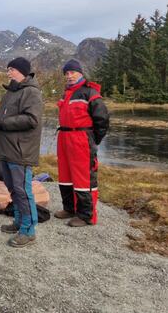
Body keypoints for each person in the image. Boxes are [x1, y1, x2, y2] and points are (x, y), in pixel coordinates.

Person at [0, 57, 42, 247]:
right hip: (7, 149)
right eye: (8, 69)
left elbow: (31, 120)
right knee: (13, 189)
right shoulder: (11, 92)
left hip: (21, 150)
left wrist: (0, 123)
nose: (8, 73)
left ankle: (28, 230)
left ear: (22, 72)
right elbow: (6, 118)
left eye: (12, 70)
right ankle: (19, 221)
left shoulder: (32, 92)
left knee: (23, 191)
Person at [55, 59, 109, 227]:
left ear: (80, 73)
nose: (69, 76)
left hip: (81, 139)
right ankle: (70, 208)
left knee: (83, 177)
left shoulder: (90, 92)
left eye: (72, 72)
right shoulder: (67, 93)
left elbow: (102, 120)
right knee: (65, 175)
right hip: (64, 137)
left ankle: (86, 215)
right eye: (67, 73)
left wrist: (93, 140)